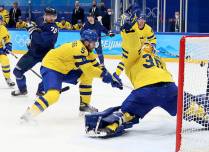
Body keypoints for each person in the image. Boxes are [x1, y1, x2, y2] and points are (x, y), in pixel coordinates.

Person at [85, 10, 177, 138]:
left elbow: (130, 50)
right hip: (170, 87)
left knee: (127, 112)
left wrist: (127, 30)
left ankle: (112, 124)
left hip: (145, 91)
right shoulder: (159, 59)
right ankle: (203, 112)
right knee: (184, 105)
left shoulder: (134, 54)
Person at [20, 29, 123, 122]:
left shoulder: (87, 50)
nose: (95, 45)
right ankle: (29, 114)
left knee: (86, 76)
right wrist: (106, 78)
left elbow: (98, 68)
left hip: (64, 70)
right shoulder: (79, 49)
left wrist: (112, 78)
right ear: (86, 42)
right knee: (53, 95)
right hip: (51, 68)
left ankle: (84, 105)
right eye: (94, 43)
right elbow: (89, 70)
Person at [11, 7, 59, 96]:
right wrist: (31, 37)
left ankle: (41, 90)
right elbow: (36, 28)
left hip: (46, 54)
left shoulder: (53, 29)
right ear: (45, 15)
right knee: (17, 72)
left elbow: (41, 41)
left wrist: (32, 31)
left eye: (53, 16)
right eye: (49, 15)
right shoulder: (40, 20)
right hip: (33, 53)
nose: (51, 18)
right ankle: (22, 90)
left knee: (50, 74)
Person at [0, 15, 15, 87]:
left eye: (0, 20)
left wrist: (8, 47)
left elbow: (7, 40)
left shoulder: (3, 29)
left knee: (5, 61)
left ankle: (8, 78)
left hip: (0, 49)